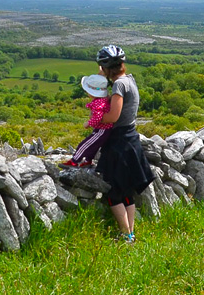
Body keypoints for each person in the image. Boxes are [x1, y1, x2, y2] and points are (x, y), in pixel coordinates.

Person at [93, 44, 155, 244]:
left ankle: (125, 235)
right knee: (127, 192)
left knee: (113, 193)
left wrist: (95, 121)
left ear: (107, 68)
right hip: (131, 139)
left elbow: (113, 116)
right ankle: (130, 234)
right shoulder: (130, 80)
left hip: (119, 142)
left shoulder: (119, 85)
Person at [59, 74, 114, 169]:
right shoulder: (103, 100)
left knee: (84, 145)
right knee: (93, 146)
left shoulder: (98, 103)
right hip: (104, 130)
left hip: (102, 130)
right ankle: (88, 161)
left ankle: (74, 161)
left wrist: (88, 123)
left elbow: (98, 117)